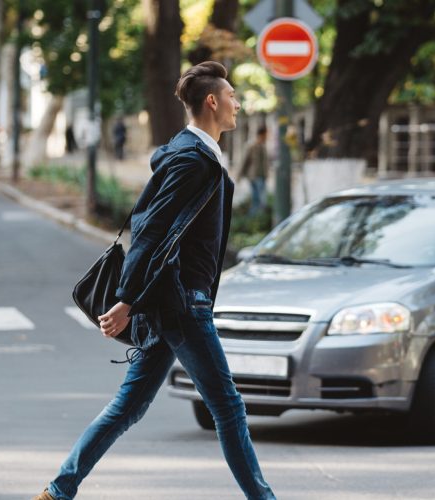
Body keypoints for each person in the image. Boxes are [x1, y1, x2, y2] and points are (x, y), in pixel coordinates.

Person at [34, 61, 276, 500]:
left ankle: (58, 491)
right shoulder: (193, 159)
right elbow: (151, 229)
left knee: (127, 407)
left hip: (172, 300)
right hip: (184, 303)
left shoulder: (195, 153)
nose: (238, 104)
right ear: (212, 101)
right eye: (233, 96)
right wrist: (126, 299)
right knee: (228, 407)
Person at [238, 125, 268, 216]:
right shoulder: (251, 146)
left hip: (262, 176)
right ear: (261, 134)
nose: (267, 137)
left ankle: (256, 218)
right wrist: (239, 175)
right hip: (254, 176)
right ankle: (254, 218)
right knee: (258, 199)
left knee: (259, 199)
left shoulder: (263, 146)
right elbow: (244, 161)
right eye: (266, 135)